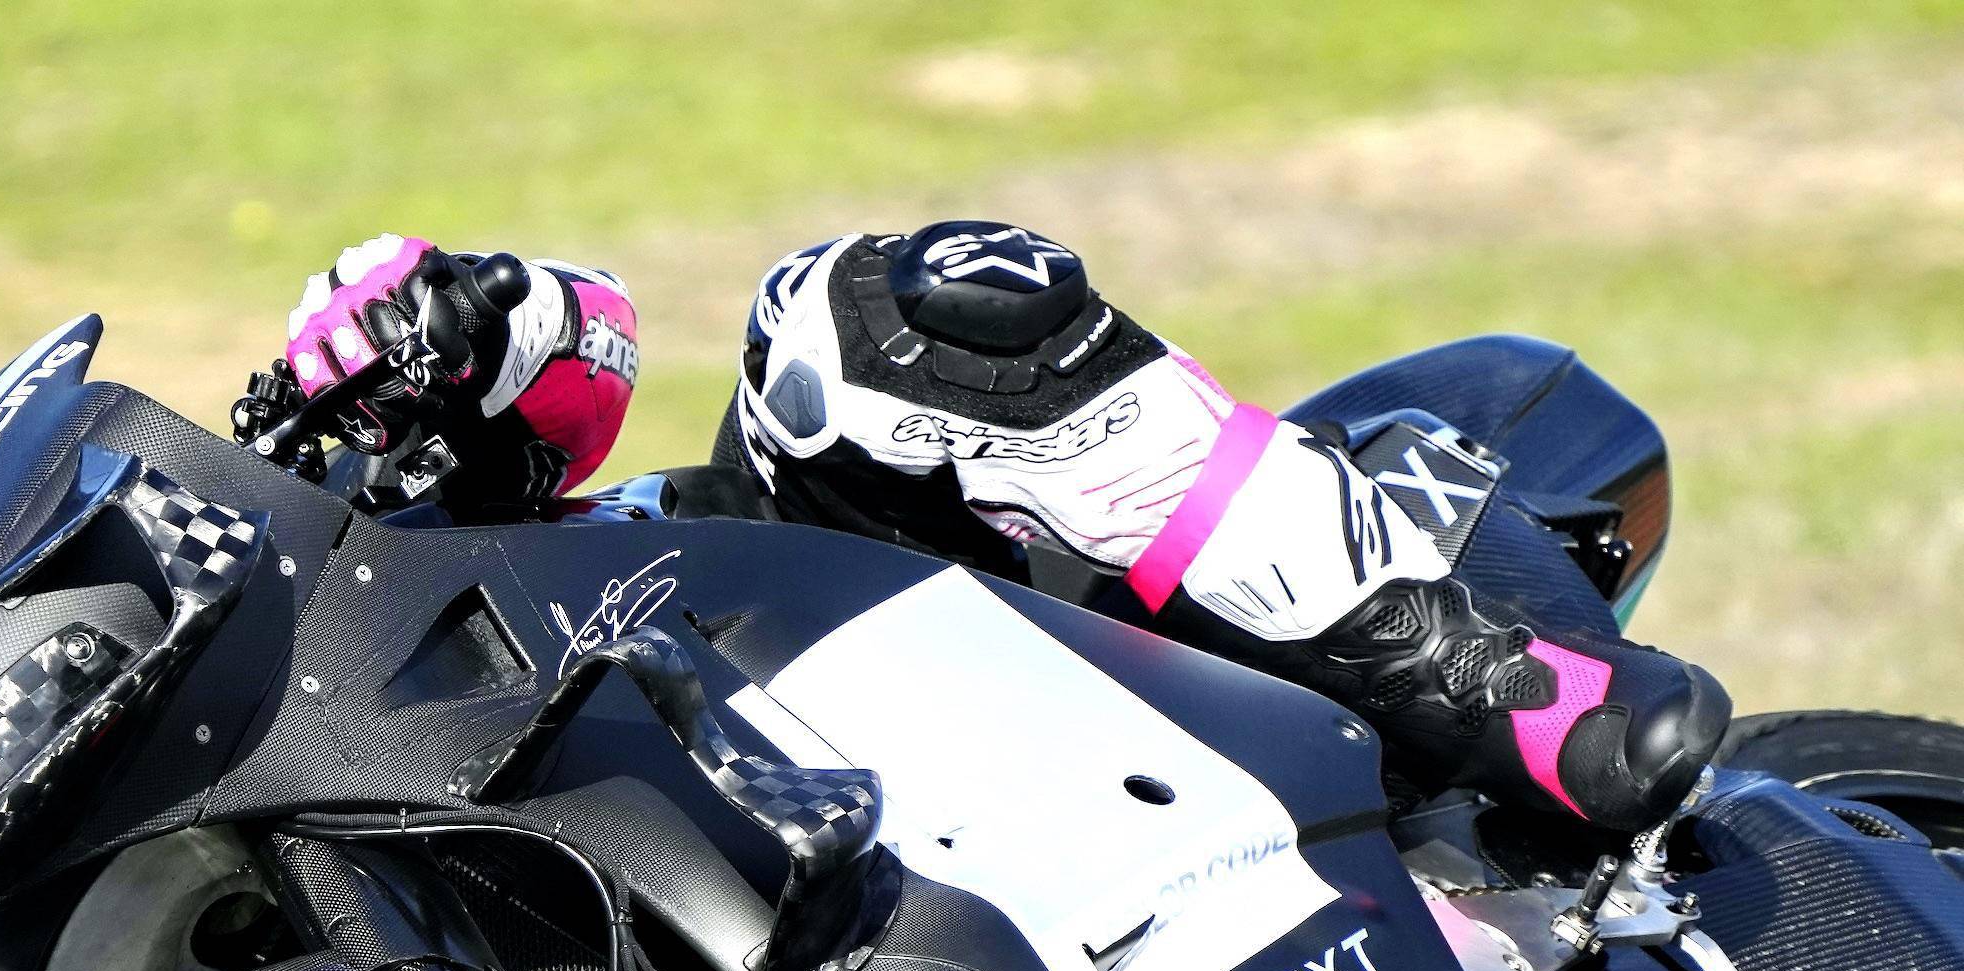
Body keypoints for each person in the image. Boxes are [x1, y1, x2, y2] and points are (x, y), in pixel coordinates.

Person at [263, 225, 1727, 833]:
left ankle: (1484, 674)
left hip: (949, 696)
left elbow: (589, 345)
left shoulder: (502, 540)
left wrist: (459, 340)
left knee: (853, 315)